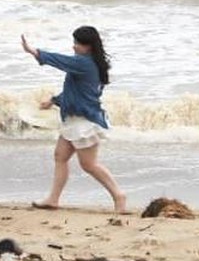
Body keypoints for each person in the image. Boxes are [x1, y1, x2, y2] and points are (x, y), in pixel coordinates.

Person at [21, 26, 126, 213]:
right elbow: (77, 94)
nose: (74, 46)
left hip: (83, 122)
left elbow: (61, 61)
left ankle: (119, 195)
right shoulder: (90, 63)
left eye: (78, 43)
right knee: (60, 156)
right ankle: (53, 199)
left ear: (88, 47)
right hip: (74, 120)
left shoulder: (84, 63)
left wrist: (35, 52)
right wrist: (54, 101)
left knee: (89, 165)